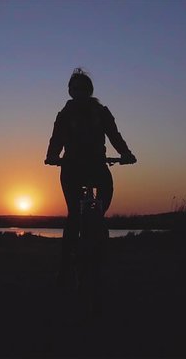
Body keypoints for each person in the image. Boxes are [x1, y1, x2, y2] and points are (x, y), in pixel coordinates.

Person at [44, 68, 136, 284]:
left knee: (105, 193)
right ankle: (65, 268)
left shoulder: (101, 112)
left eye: (82, 88)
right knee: (74, 216)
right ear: (70, 91)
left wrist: (126, 153)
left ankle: (97, 229)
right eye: (74, 88)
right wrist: (51, 155)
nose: (78, 92)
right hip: (72, 167)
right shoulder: (64, 114)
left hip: (96, 164)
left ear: (89, 90)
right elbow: (56, 138)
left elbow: (114, 135)